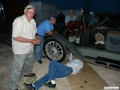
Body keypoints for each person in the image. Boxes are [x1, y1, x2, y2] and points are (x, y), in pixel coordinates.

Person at [8, 5, 40, 90]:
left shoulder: (33, 21)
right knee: (17, 69)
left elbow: (34, 34)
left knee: (29, 63)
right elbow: (15, 37)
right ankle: (12, 87)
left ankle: (27, 74)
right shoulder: (18, 21)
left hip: (30, 48)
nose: (32, 14)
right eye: (30, 12)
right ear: (25, 11)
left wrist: (36, 39)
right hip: (20, 50)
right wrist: (31, 41)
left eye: (33, 13)